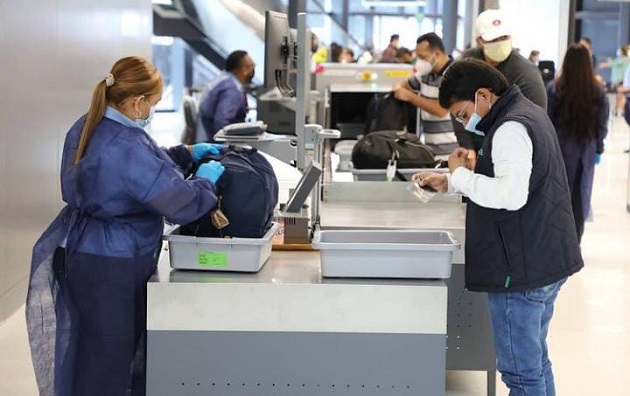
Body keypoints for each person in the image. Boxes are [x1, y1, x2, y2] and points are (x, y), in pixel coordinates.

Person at [25, 56, 227, 396]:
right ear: (138, 102)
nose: (153, 110)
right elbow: (180, 202)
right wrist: (205, 183)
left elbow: (135, 170)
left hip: (80, 251)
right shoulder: (126, 145)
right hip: (110, 265)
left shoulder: (91, 123)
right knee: (110, 361)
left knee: (91, 354)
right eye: (155, 104)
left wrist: (185, 153)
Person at [416, 58, 583, 395]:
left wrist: (460, 175)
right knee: (535, 365)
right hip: (544, 258)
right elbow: (520, 181)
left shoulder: (510, 129)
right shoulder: (528, 113)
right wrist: (450, 181)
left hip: (520, 272)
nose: (463, 123)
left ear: (483, 95)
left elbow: (510, 195)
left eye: (462, 114)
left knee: (521, 375)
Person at [458, 9, 547, 168]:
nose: (500, 42)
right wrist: (467, 146)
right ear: (480, 41)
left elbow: (536, 123)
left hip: (511, 155)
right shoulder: (467, 63)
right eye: (494, 39)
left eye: (504, 37)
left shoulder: (526, 74)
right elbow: (455, 102)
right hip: (475, 150)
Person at [547, 44, 609, 242]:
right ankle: (575, 243)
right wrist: (599, 148)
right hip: (585, 150)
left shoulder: (555, 88)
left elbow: (547, 120)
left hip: (559, 149)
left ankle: (557, 242)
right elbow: (601, 125)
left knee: (556, 196)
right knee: (580, 197)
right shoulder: (597, 91)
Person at [393, 32, 458, 157]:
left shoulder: (455, 74)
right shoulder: (426, 74)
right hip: (431, 149)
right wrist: (399, 88)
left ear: (437, 54)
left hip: (451, 151)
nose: (419, 62)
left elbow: (441, 110)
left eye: (422, 57)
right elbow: (404, 84)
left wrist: (410, 97)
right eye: (417, 57)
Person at [196, 50, 255, 142]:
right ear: (244, 70)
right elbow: (221, 123)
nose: (253, 69)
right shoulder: (231, 89)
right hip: (216, 145)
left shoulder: (224, 80)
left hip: (207, 138)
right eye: (252, 66)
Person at [598, 44, 630, 116]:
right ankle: (618, 110)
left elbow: (614, 63)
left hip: (620, 81)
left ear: (622, 51)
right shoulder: (623, 60)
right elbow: (615, 63)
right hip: (620, 81)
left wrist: (604, 64)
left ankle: (619, 110)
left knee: (620, 96)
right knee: (620, 96)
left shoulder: (624, 59)